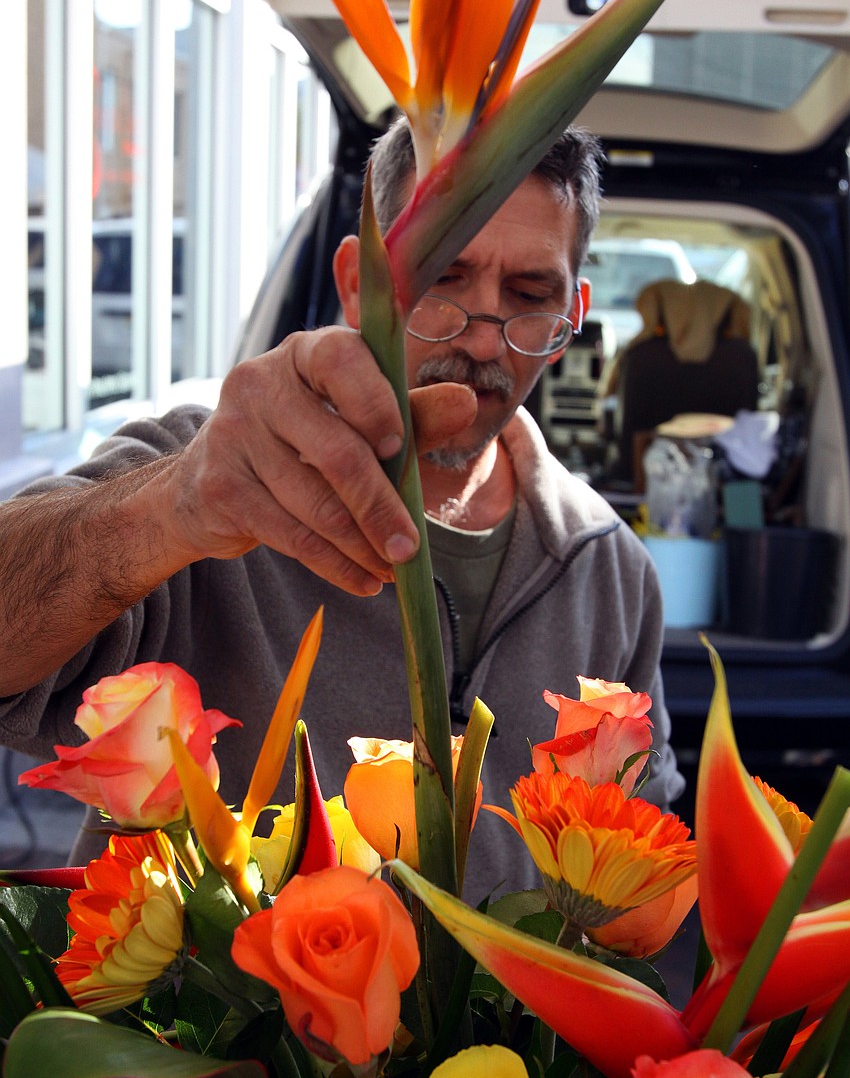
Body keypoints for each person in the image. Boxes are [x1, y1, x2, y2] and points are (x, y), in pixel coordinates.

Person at [0, 120, 683, 899]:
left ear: (574, 313)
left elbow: (642, 876)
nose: (485, 339)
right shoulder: (215, 473)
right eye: (442, 279)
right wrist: (173, 506)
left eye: (529, 297)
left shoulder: (610, 571)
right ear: (357, 282)